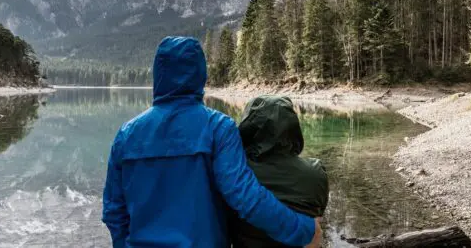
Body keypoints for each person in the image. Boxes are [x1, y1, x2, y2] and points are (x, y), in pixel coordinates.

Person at [102, 37, 322, 248]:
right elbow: (245, 197)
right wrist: (304, 230)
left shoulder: (126, 135)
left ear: (158, 73)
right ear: (200, 74)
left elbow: (114, 212)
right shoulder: (218, 127)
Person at [230, 95, 330, 248]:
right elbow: (318, 215)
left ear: (247, 127)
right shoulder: (316, 172)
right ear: (293, 127)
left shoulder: (235, 174)